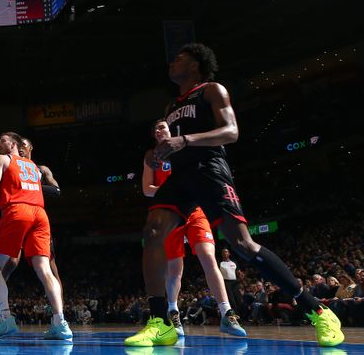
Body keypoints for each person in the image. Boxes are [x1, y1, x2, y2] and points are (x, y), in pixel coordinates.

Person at [125, 43, 344, 347]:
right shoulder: (170, 108)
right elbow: (174, 150)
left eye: (180, 58)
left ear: (197, 65)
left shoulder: (212, 90)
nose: (172, 62)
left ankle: (317, 309)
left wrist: (184, 140)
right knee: (152, 232)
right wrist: (158, 155)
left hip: (209, 168)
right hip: (181, 177)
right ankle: (160, 322)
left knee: (241, 244)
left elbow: (231, 132)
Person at [141, 119, 246, 338]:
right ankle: (173, 311)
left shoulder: (185, 147)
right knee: (174, 270)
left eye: (164, 127)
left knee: (209, 257)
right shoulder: (152, 155)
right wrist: (174, 190)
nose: (161, 130)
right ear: (154, 135)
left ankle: (227, 312)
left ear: (172, 130)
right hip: (169, 210)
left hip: (194, 209)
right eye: (157, 128)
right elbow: (147, 189)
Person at [0, 132, 72, 341]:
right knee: (45, 269)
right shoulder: (34, 167)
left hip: (18, 212)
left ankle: (6, 319)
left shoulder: (3, 159)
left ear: (14, 144)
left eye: (2, 140)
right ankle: (60, 322)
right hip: (40, 215)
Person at [219, 248, 245, 318]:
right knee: (231, 300)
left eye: (226, 252)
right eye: (223, 252)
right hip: (226, 282)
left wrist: (241, 275)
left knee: (239, 300)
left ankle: (241, 317)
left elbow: (239, 272)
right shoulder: (220, 263)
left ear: (229, 253)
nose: (225, 253)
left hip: (235, 282)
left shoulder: (234, 262)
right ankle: (234, 317)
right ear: (222, 254)